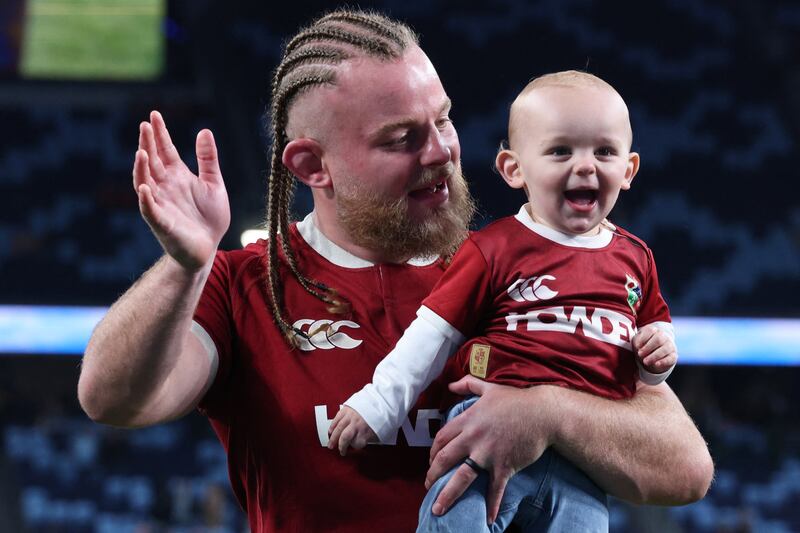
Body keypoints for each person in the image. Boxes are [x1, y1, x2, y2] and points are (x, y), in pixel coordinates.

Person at [77, 9, 713, 533]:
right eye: (402, 138)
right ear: (311, 165)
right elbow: (110, 398)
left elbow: (684, 467)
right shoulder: (245, 284)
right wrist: (183, 267)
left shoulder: (516, 264)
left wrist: (548, 413)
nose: (441, 151)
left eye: (443, 119)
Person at [328, 70, 678, 531]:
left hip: (584, 457)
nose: (586, 165)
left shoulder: (637, 258)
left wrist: (659, 353)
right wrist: (377, 405)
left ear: (629, 169)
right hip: (486, 428)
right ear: (514, 168)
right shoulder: (493, 248)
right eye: (560, 151)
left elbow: (651, 350)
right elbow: (432, 334)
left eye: (604, 151)